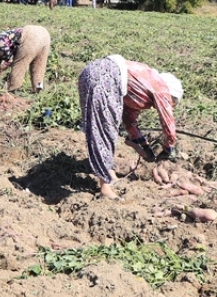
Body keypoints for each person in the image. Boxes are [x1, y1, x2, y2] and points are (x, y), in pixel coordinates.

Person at [77, 56, 183, 199]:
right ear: (171, 95)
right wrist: (168, 149)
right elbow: (168, 123)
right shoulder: (161, 87)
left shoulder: (141, 87)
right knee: (103, 131)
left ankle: (110, 175)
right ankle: (105, 189)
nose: (170, 104)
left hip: (90, 73)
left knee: (97, 128)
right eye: (172, 102)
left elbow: (129, 120)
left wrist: (144, 146)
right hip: (107, 77)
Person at [0, 25, 52, 94]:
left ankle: (13, 91)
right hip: (44, 34)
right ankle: (38, 91)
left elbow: (10, 60)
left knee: (18, 67)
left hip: (30, 37)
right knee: (38, 67)